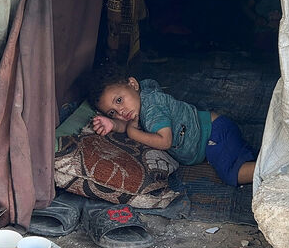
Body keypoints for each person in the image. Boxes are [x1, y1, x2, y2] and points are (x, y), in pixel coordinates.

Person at [88, 68, 255, 186]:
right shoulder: (139, 101)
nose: (120, 111)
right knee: (236, 156)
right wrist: (112, 124)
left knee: (233, 173)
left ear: (133, 84)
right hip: (214, 131)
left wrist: (132, 133)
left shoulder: (152, 107)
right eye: (112, 112)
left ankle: (274, 172)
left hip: (214, 135)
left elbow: (165, 141)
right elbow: (127, 123)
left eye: (119, 100)